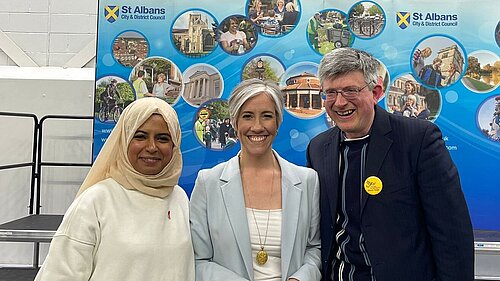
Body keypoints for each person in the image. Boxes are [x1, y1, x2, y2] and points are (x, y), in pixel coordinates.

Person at [307, 47, 473, 281]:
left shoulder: (418, 140)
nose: (340, 102)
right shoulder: (318, 148)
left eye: (351, 90)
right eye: (331, 93)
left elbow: (452, 233)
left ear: (376, 92)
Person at [35, 98, 195, 281]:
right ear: (124, 140)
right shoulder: (95, 201)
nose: (152, 147)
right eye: (140, 136)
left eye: (162, 138)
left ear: (174, 145)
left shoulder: (179, 198)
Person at [190, 78, 321, 281]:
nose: (257, 126)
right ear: (235, 122)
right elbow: (199, 261)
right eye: (248, 116)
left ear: (278, 122)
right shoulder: (209, 183)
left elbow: (315, 247)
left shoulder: (307, 181)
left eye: (266, 116)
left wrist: (300, 279)